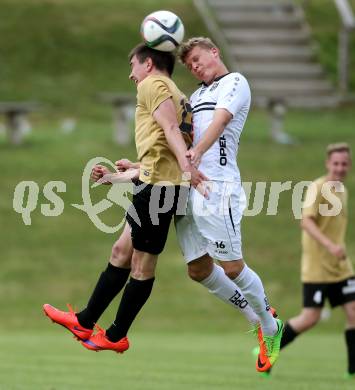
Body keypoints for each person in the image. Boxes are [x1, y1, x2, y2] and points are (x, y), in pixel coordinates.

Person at [43, 43, 207, 353]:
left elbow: (171, 133)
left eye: (133, 64)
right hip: (155, 183)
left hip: (161, 189)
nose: (131, 74)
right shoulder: (176, 93)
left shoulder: (153, 84)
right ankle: (85, 320)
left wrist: (188, 167)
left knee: (142, 266)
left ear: (148, 64)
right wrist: (117, 177)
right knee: (121, 249)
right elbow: (164, 153)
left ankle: (117, 335)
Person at [174, 37, 283, 372]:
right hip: (189, 188)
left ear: (214, 52)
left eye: (196, 59)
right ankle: (254, 316)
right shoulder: (195, 95)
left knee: (233, 267)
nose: (194, 66)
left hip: (218, 189)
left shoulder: (235, 82)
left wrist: (195, 155)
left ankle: (270, 327)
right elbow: (184, 135)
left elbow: (220, 122)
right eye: (189, 64)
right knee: (198, 270)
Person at [270, 143, 355, 378]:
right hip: (317, 267)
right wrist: (330, 246)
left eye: (344, 163)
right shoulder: (317, 188)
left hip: (341, 266)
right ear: (328, 164)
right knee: (310, 318)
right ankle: (269, 350)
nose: (340, 168)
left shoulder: (342, 190)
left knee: (354, 312)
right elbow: (306, 222)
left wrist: (337, 249)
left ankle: (352, 371)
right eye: (336, 163)